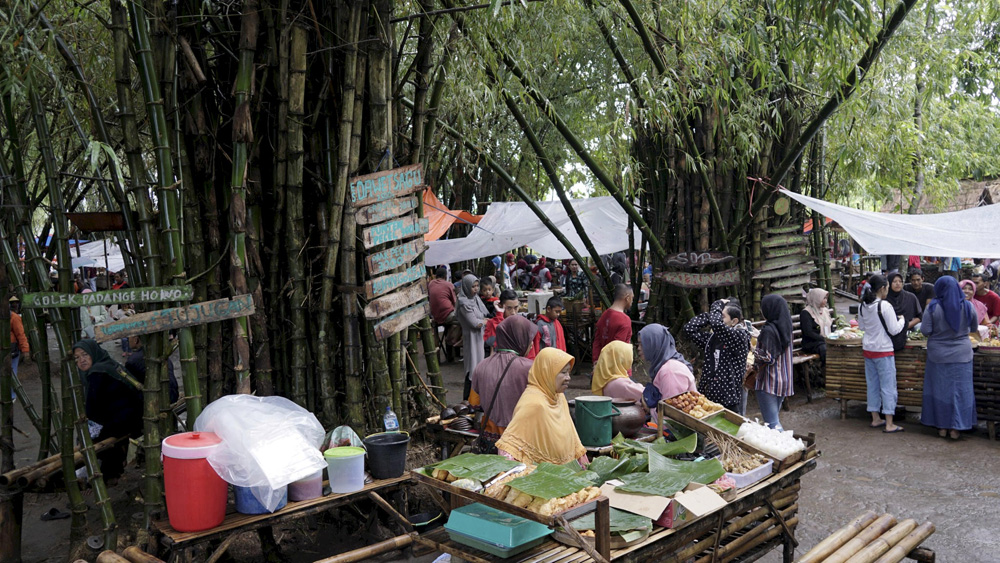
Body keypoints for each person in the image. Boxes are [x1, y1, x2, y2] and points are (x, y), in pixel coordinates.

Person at [495, 348, 588, 467]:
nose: (568, 377)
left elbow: (572, 437)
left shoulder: (559, 397)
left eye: (569, 372)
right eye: (563, 372)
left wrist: (583, 466)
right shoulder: (534, 403)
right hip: (541, 476)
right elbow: (509, 446)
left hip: (565, 473)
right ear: (547, 373)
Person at [73, 339, 143, 483]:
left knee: (98, 438)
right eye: (77, 358)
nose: (82, 360)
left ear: (93, 353)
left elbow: (92, 409)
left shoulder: (98, 372)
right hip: (133, 416)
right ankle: (113, 472)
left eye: (85, 355)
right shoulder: (108, 364)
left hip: (128, 419)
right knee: (102, 431)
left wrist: (86, 434)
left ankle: (108, 475)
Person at [920, 276, 978, 440]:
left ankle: (942, 427)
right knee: (960, 392)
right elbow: (973, 327)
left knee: (939, 391)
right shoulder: (967, 305)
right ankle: (956, 429)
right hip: (962, 355)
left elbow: (925, 330)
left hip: (938, 355)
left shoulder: (932, 307)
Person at [469, 316, 538, 451]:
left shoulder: (481, 366)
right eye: (529, 340)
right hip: (519, 441)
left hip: (489, 442)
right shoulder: (530, 368)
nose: (531, 345)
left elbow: (474, 404)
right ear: (519, 340)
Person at [684, 299, 751, 414]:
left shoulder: (740, 337)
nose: (718, 319)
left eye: (722, 316)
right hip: (708, 395)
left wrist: (717, 304)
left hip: (728, 399)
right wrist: (712, 315)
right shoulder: (713, 338)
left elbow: (716, 324)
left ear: (734, 321)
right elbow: (689, 329)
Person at [857, 275, 905, 433]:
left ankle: (875, 418)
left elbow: (862, 327)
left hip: (868, 349)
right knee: (888, 386)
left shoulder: (863, 305)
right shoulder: (885, 306)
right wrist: (902, 320)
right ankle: (889, 423)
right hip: (883, 350)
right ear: (883, 288)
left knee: (872, 385)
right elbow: (894, 329)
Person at [751, 295, 795, 431]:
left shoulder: (769, 330)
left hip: (769, 381)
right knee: (774, 418)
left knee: (772, 424)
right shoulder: (786, 326)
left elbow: (767, 357)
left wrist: (752, 349)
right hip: (784, 380)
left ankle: (788, 449)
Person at [638, 324, 697, 408]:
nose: (638, 348)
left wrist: (648, 409)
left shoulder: (670, 372)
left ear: (654, 344)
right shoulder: (663, 365)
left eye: (642, 344)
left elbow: (672, 412)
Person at [456, 274, 489, 400]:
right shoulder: (464, 303)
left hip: (480, 337)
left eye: (477, 286)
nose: (476, 289)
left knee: (479, 366)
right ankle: (467, 399)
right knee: (472, 367)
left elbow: (483, 316)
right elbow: (475, 323)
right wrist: (486, 322)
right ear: (465, 287)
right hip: (471, 338)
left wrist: (484, 321)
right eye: (473, 286)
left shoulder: (475, 299)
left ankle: (476, 399)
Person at [124, 336, 179, 404]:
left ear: (136, 339)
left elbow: (130, 388)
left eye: (129, 337)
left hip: (157, 400)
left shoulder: (133, 360)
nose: (128, 340)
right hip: (173, 394)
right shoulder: (160, 353)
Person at [592, 284, 633, 364]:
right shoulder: (625, 320)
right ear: (627, 298)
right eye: (632, 298)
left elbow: (597, 341)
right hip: (618, 367)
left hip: (601, 363)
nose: (632, 301)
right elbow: (617, 348)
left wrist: (596, 361)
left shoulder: (604, 315)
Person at [428, 267, 462, 360]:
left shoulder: (430, 284)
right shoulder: (449, 285)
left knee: (453, 322)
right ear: (445, 276)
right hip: (447, 315)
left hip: (435, 315)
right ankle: (452, 339)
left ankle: (450, 342)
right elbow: (455, 302)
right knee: (464, 320)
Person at [885, 271, 922, 352]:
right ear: (889, 283)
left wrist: (906, 325)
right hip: (888, 334)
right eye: (894, 281)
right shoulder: (884, 299)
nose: (898, 284)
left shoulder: (910, 297)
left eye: (900, 281)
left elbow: (919, 316)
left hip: (908, 332)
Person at [800, 288, 833, 363]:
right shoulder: (806, 313)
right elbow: (808, 332)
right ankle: (826, 370)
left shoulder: (824, 310)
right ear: (816, 298)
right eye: (823, 298)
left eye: (826, 298)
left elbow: (830, 325)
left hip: (825, 340)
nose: (826, 300)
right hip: (812, 343)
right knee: (825, 349)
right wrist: (823, 339)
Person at [9, 297, 30, 398]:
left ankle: (12, 396)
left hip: (11, 350)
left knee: (12, 373)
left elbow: (21, 335)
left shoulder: (14, 317)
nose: (15, 305)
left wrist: (25, 350)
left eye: (16, 303)